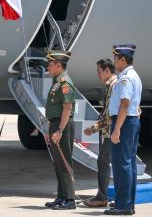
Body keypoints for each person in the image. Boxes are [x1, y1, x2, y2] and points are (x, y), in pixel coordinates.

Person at [105, 45, 142, 216]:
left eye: (115, 59)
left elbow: (125, 104)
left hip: (124, 122)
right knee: (129, 164)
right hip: (131, 121)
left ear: (122, 60)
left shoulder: (126, 78)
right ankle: (127, 203)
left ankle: (124, 205)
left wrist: (117, 129)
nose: (114, 63)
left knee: (122, 165)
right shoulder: (133, 76)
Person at [43, 49, 76, 210]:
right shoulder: (56, 81)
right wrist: (49, 129)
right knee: (58, 163)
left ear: (58, 65)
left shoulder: (65, 83)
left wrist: (60, 131)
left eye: (50, 64)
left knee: (64, 161)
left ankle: (70, 199)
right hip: (55, 124)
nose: (47, 67)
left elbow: (67, 109)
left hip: (63, 125)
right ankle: (62, 196)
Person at [84, 59, 118, 208]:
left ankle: (102, 197)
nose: (98, 74)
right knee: (109, 162)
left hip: (112, 131)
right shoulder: (112, 85)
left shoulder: (113, 85)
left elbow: (109, 116)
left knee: (103, 161)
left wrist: (94, 128)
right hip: (112, 130)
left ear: (107, 71)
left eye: (99, 71)